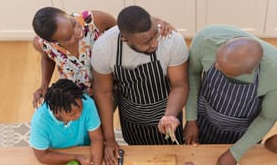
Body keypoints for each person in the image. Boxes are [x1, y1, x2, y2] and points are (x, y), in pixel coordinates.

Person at [184, 25, 277, 165]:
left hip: (240, 134)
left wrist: (235, 153)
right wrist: (191, 118)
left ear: (248, 72)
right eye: (217, 61)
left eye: (223, 71)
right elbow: (192, 73)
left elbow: (267, 118)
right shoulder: (205, 39)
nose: (215, 66)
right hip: (203, 119)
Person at [91, 5, 189, 165]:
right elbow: (103, 92)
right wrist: (109, 139)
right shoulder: (104, 48)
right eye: (146, 42)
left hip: (168, 110)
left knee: (172, 158)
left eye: (155, 35)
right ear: (125, 39)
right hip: (132, 117)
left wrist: (170, 115)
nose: (154, 44)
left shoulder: (172, 40)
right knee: (138, 161)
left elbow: (180, 85)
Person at [31, 7, 174, 108]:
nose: (78, 33)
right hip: (77, 91)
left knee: (105, 116)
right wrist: (44, 84)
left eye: (73, 24)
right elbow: (47, 58)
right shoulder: (42, 44)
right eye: (68, 38)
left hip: (109, 83)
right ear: (53, 41)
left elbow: (123, 29)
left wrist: (153, 23)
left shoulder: (93, 20)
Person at [29, 79, 104, 165]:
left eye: (81, 110)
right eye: (72, 114)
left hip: (86, 151)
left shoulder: (88, 104)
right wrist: (75, 158)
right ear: (56, 112)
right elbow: (42, 155)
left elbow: (97, 139)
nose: (79, 115)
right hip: (56, 155)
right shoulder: (40, 120)